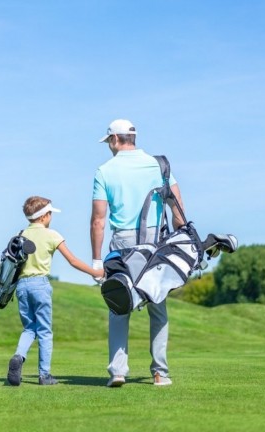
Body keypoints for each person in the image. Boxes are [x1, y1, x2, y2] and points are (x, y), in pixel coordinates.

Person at [90, 119, 186, 388]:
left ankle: (118, 372)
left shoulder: (104, 170)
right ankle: (160, 373)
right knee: (158, 305)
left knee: (119, 304)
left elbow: (98, 219)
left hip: (123, 243)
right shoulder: (158, 165)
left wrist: (97, 260)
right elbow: (177, 209)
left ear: (114, 140)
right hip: (154, 242)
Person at [7, 196, 104, 386]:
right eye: (50, 213)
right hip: (40, 285)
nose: (51, 217)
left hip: (21, 286)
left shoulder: (21, 234)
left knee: (29, 328)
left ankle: (19, 355)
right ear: (44, 216)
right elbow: (73, 261)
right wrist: (95, 272)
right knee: (44, 331)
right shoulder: (52, 235)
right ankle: (44, 375)